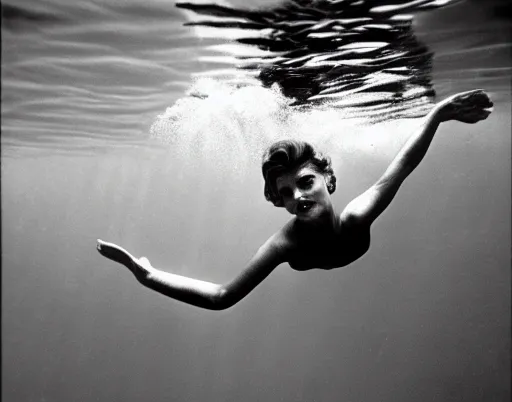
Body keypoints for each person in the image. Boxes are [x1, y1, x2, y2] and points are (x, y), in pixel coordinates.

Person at [97, 89, 493, 310]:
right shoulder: (287, 243)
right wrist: (147, 275)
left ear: (329, 179)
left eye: (305, 182)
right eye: (285, 193)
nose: (298, 197)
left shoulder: (357, 217)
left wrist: (438, 114)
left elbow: (403, 165)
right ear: (278, 203)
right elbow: (223, 297)